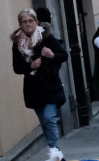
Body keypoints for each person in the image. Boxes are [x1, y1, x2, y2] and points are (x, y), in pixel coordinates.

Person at [11, 8, 68, 151]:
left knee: (49, 118)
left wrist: (51, 55)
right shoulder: (17, 44)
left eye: (31, 21)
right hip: (33, 89)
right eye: (24, 22)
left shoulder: (47, 37)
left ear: (36, 22)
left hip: (50, 86)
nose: (28, 24)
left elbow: (64, 55)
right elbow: (17, 68)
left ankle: (55, 151)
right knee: (43, 121)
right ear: (20, 24)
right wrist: (30, 65)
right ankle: (52, 149)